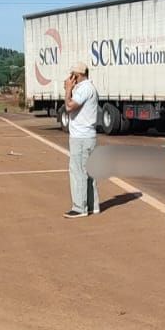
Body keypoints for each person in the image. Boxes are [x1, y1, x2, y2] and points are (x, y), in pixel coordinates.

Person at [62, 63, 100, 218]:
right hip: (88, 136)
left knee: (78, 172)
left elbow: (69, 106)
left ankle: (79, 207)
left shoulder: (84, 88)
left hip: (81, 137)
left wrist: (68, 90)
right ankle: (92, 205)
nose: (71, 78)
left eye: (73, 75)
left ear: (77, 75)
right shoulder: (88, 88)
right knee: (88, 172)